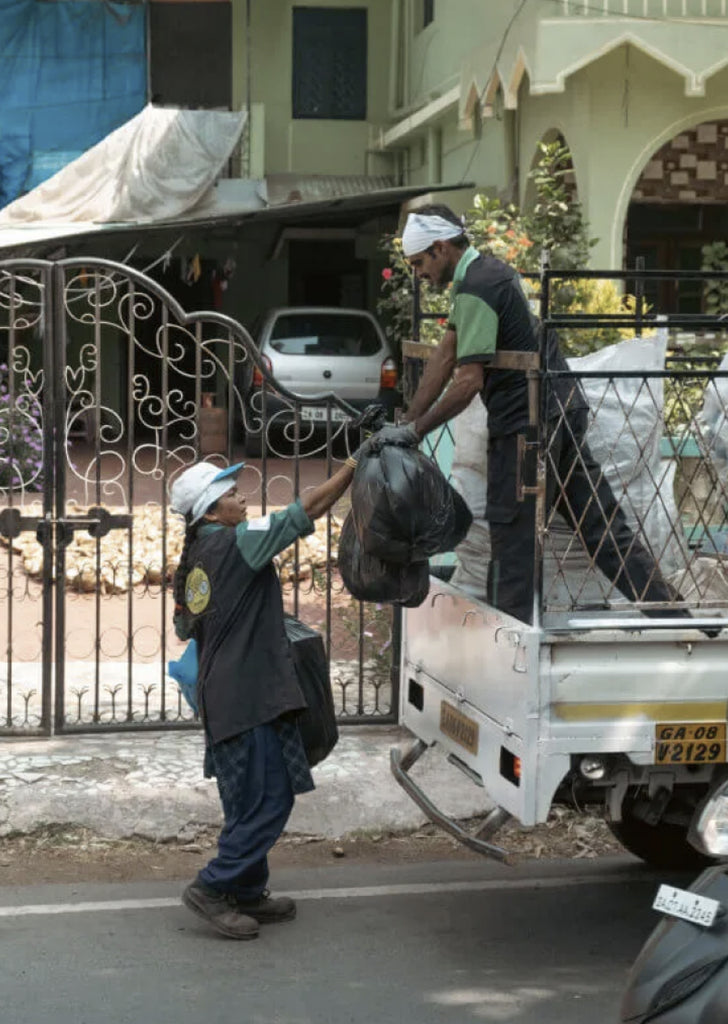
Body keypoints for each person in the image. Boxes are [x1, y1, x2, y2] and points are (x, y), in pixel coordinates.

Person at [380, 203, 683, 625]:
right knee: (601, 528)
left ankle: (511, 644)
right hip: (558, 411)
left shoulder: (477, 287)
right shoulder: (485, 274)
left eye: (419, 263)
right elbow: (446, 354)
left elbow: (468, 381)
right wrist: (409, 421)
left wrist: (416, 431)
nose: (418, 274)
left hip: (527, 427)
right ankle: (677, 618)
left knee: (512, 539)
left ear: (441, 247)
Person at [170, 452, 360, 940]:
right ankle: (213, 886)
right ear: (212, 511)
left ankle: (247, 890)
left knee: (244, 798)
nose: (242, 499)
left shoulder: (197, 558)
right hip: (250, 695)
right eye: (232, 495)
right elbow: (307, 509)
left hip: (224, 695)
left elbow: (184, 628)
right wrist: (353, 466)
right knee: (271, 798)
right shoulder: (238, 542)